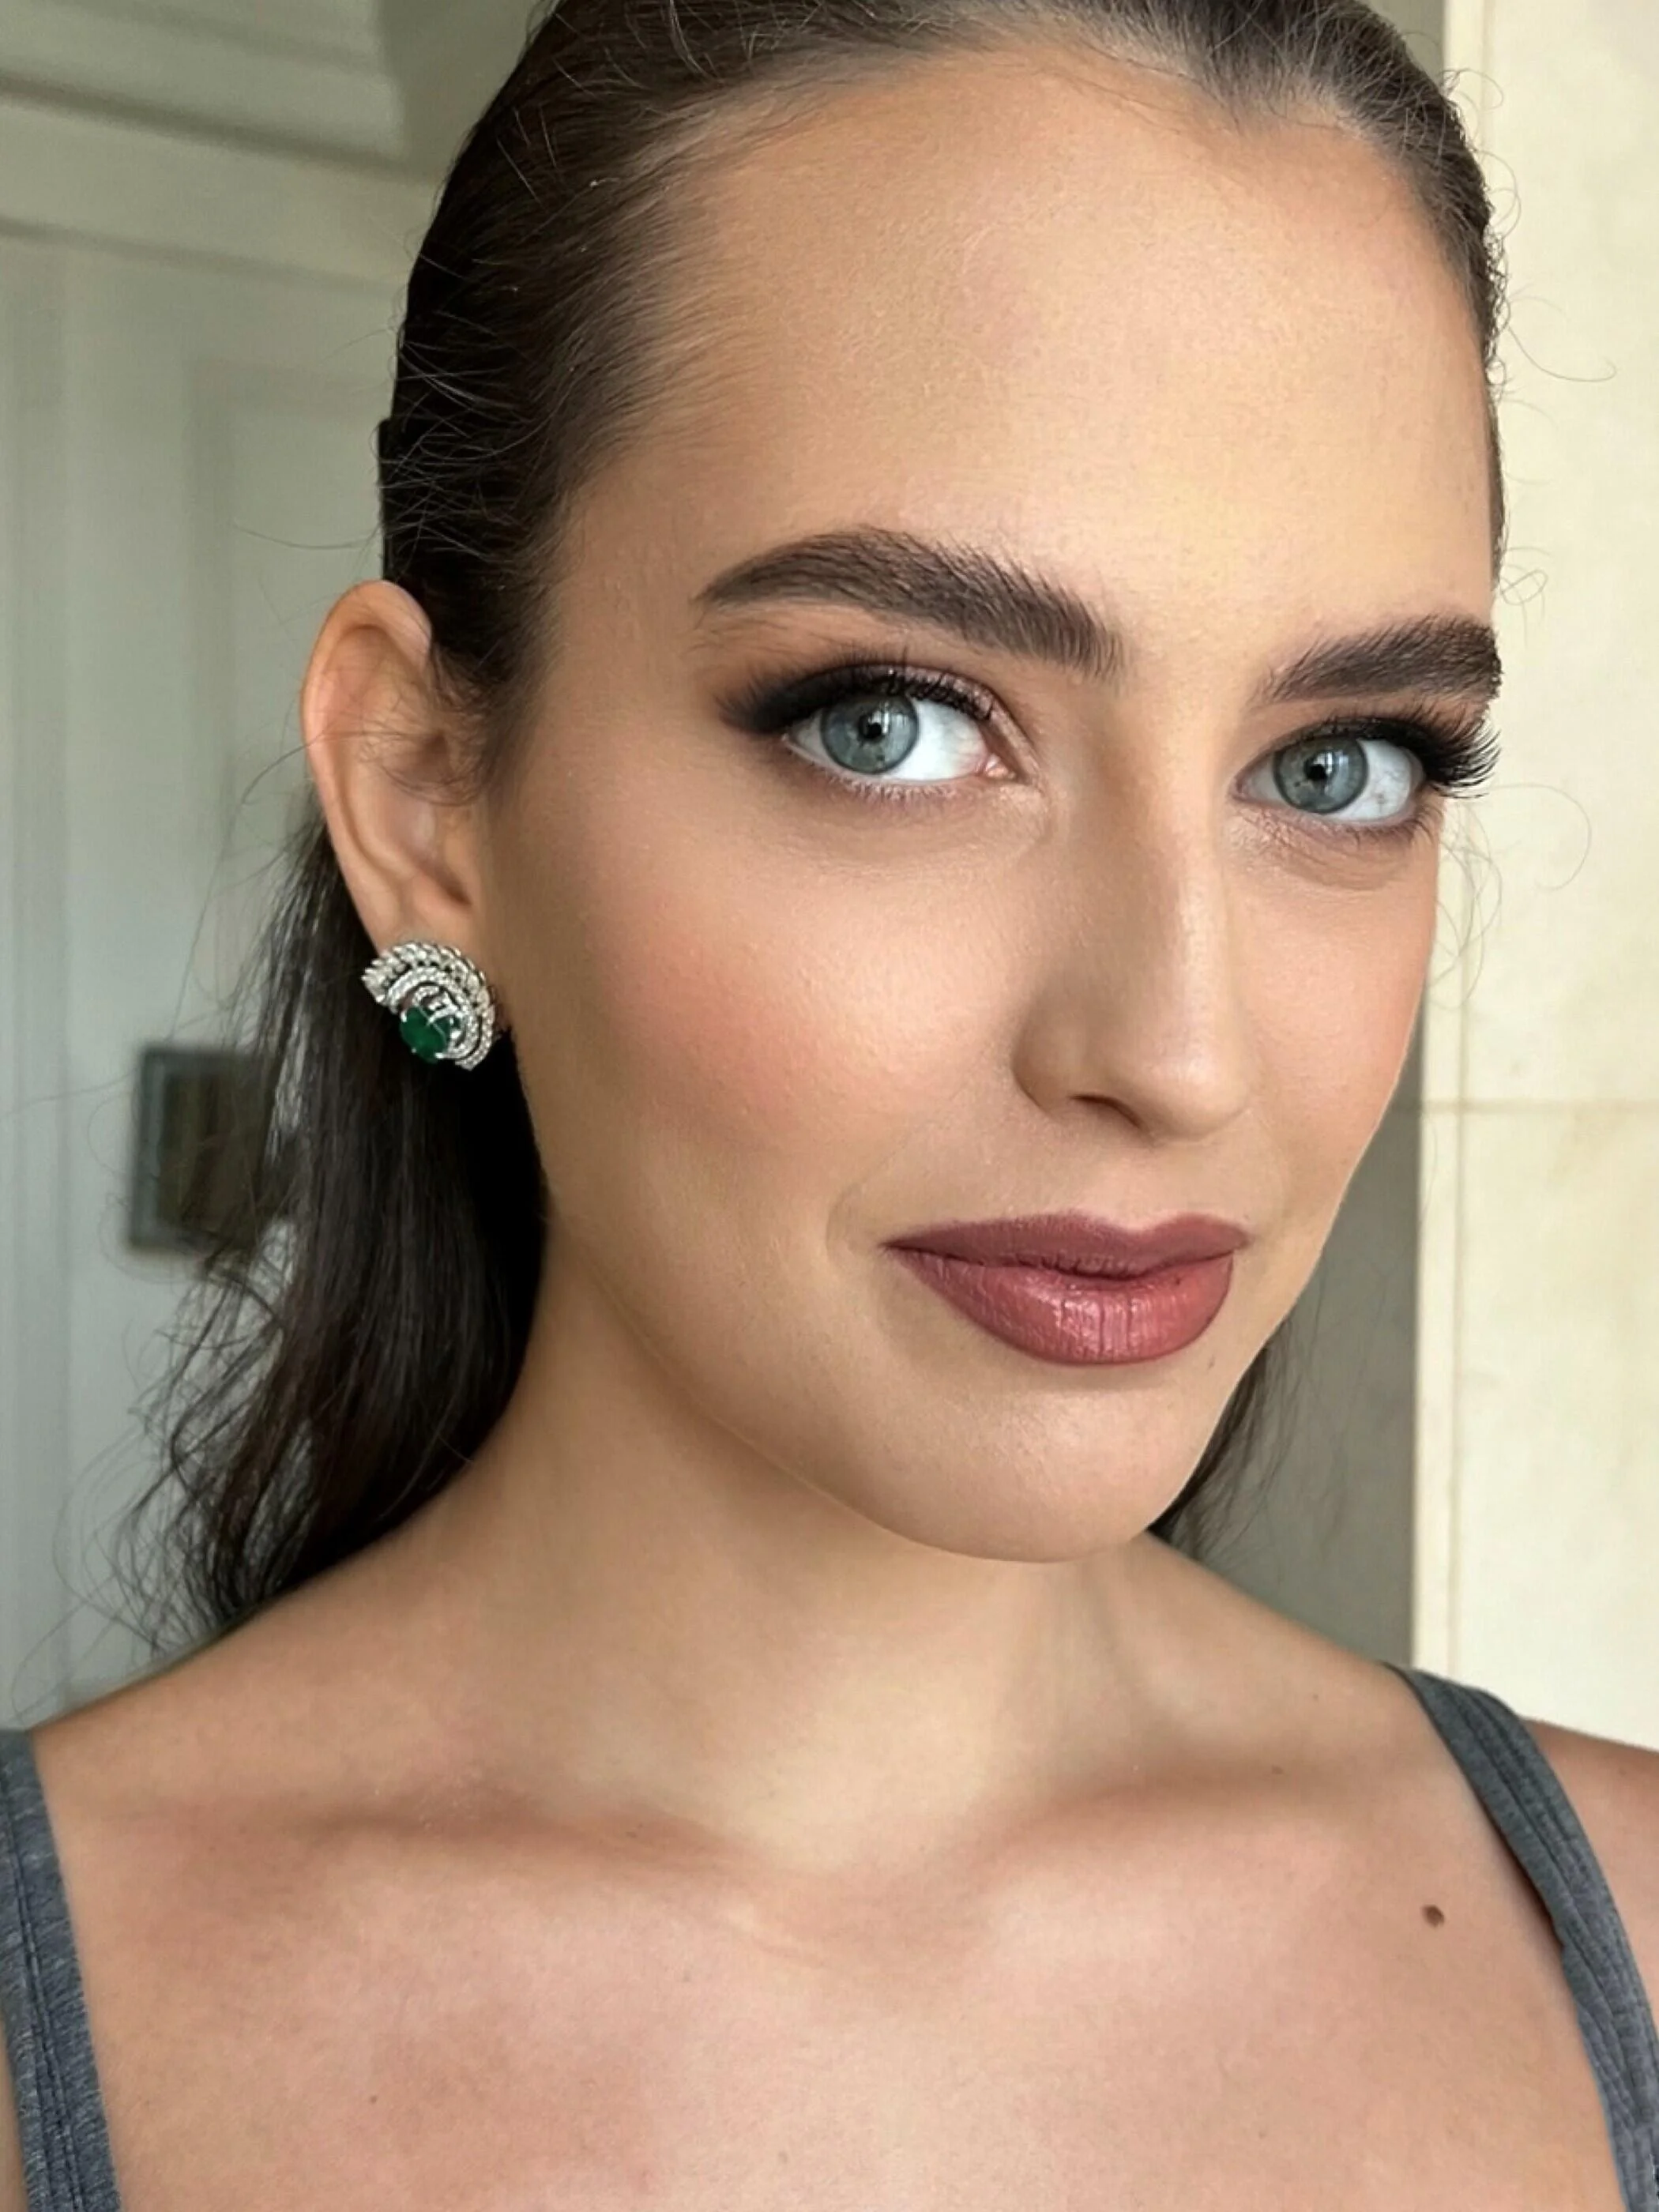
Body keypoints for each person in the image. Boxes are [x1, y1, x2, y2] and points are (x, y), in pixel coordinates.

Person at [3, 1, 1657, 2204]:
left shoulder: (1626, 1946)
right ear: (424, 798)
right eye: (889, 724)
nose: (1173, 1053)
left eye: (1335, 763)